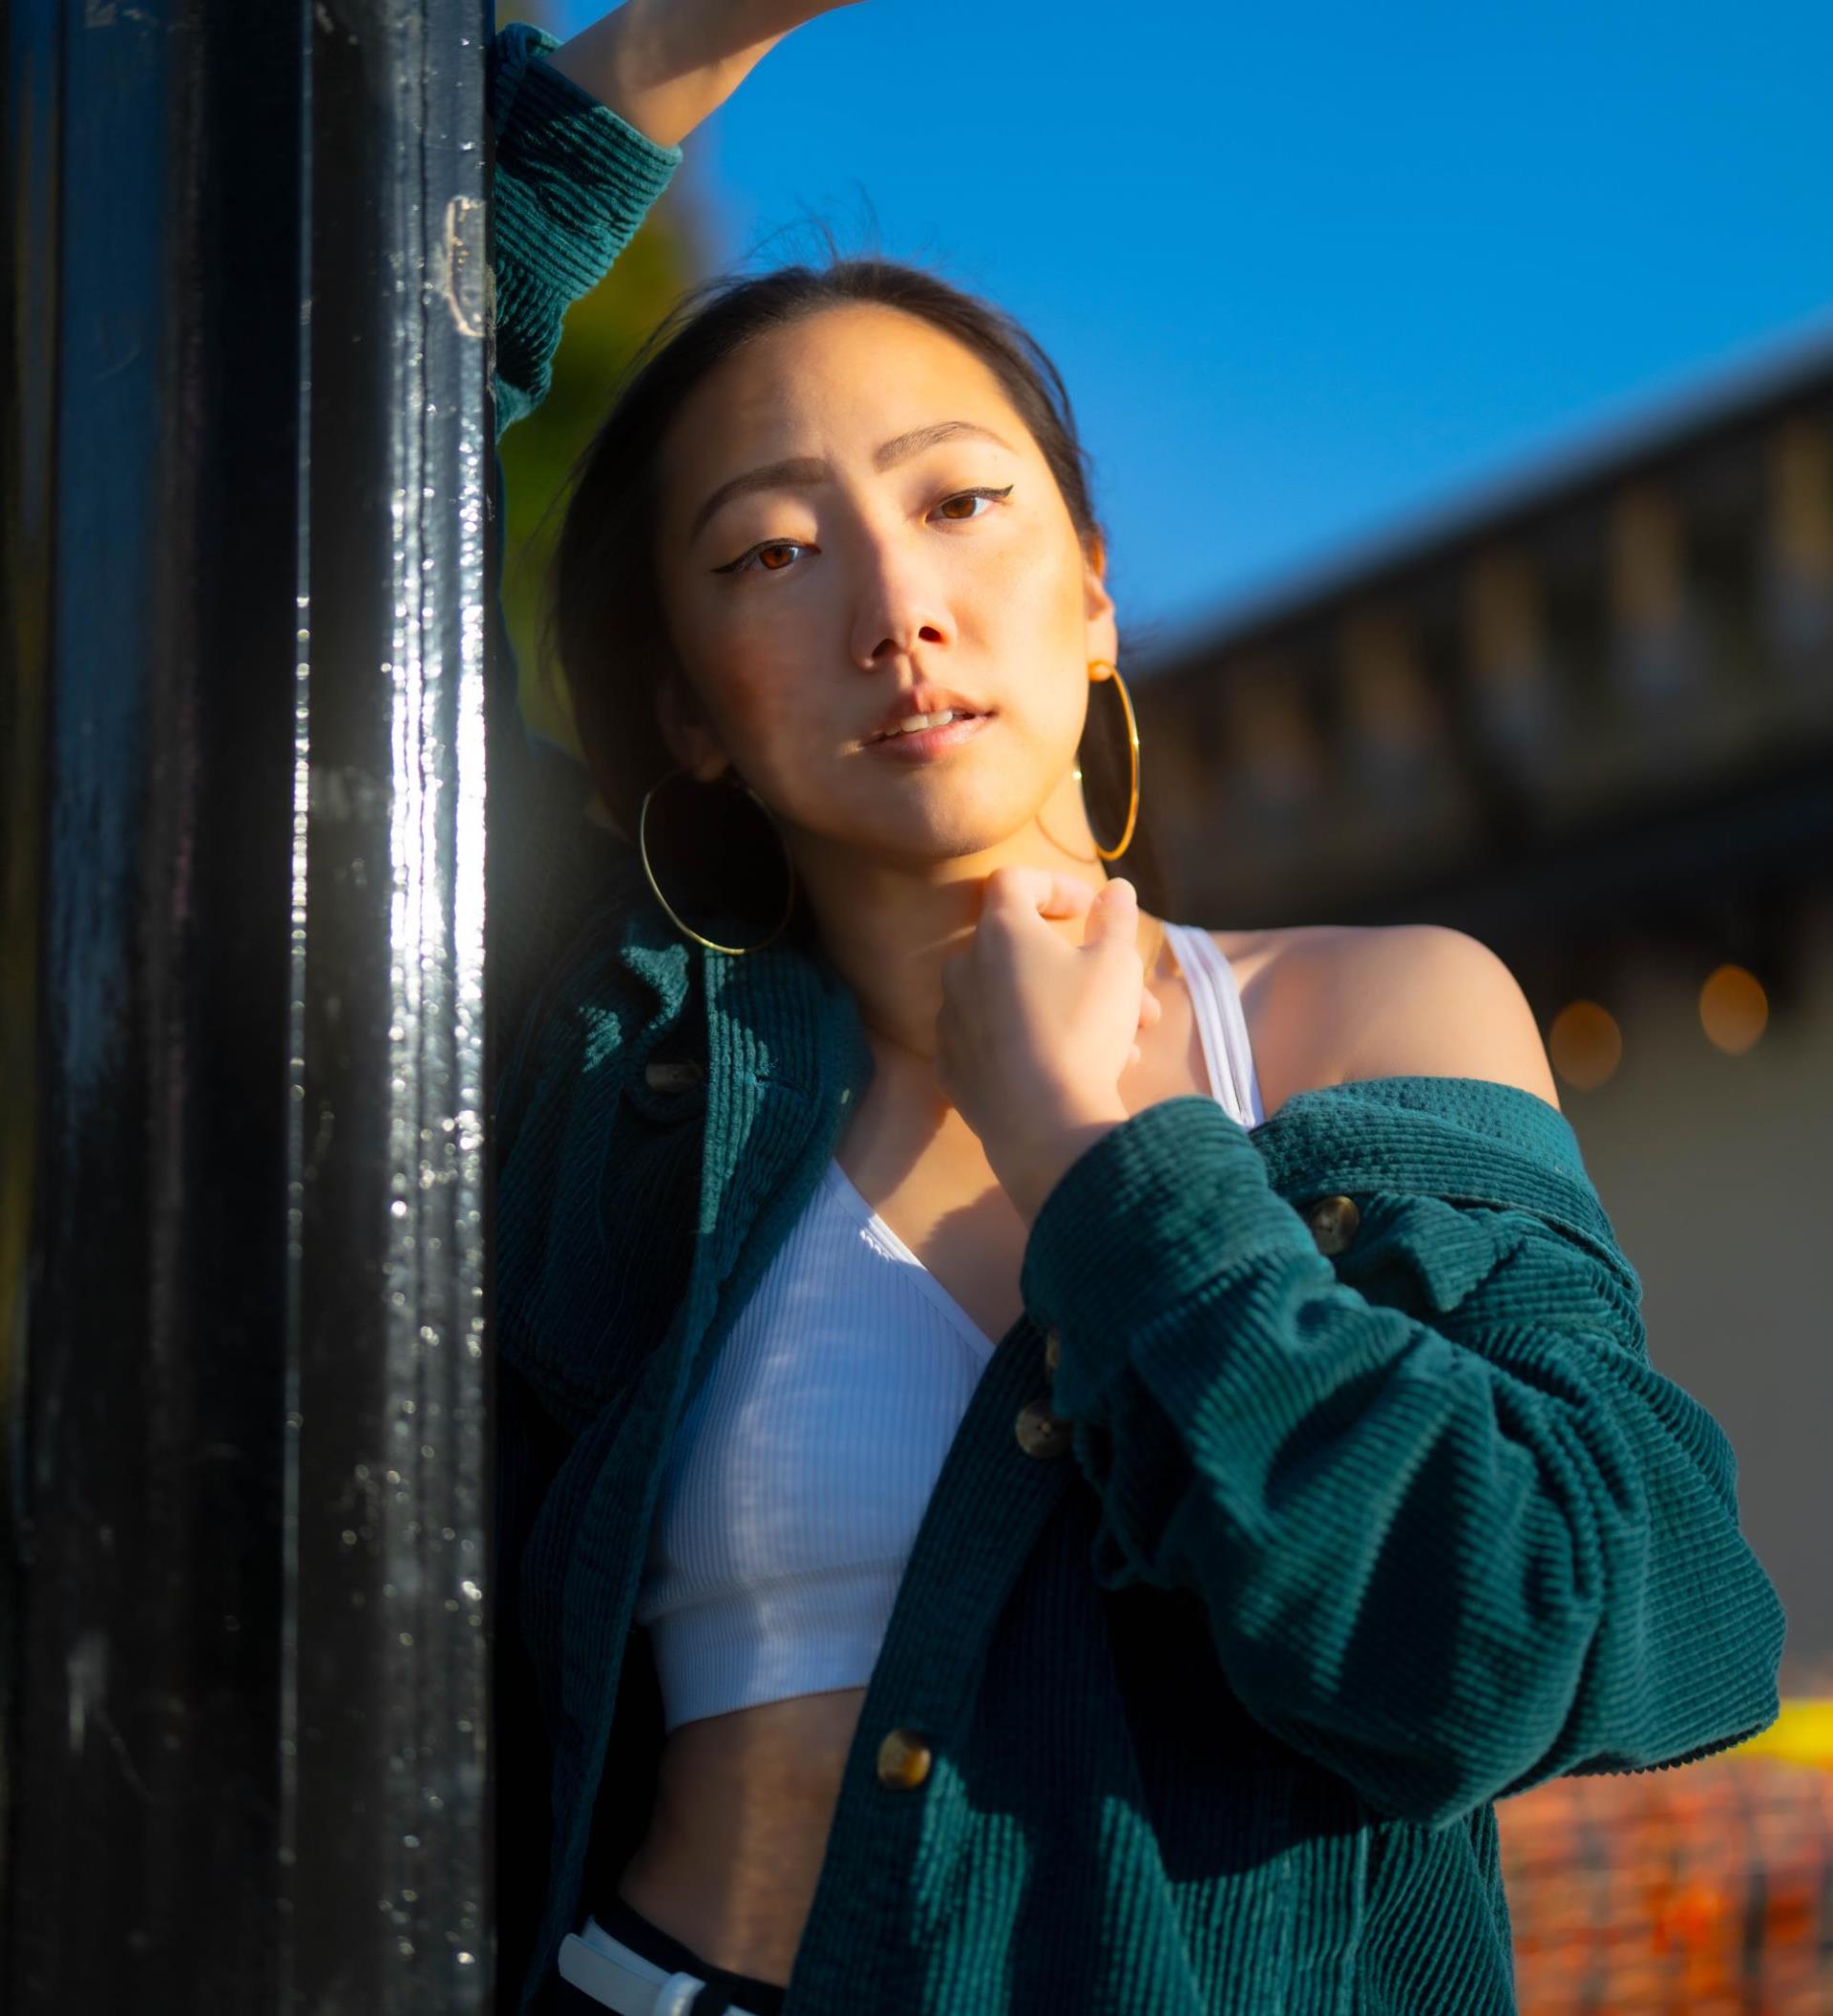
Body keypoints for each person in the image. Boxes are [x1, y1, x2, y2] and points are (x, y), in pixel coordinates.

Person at [484, 8, 1789, 2014]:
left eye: (959, 504)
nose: (892, 606)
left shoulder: (1371, 1015)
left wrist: (1120, 1169)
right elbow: (285, 481)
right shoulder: (643, 1069)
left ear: (1093, 599)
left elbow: (1564, 1621)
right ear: (689, 709)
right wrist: (645, 61)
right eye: (771, 549)